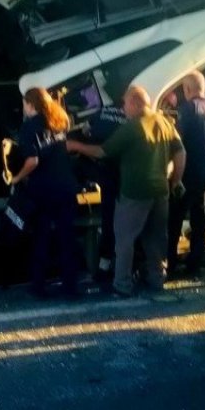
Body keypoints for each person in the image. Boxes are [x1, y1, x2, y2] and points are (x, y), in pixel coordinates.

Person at [68, 85, 185, 298]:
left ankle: (122, 285)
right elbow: (181, 153)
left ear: (135, 103)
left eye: (125, 104)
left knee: (124, 240)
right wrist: (175, 180)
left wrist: (76, 146)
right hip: (160, 192)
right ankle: (157, 280)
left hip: (134, 192)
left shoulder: (133, 127)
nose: (123, 109)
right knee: (155, 239)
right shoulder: (165, 122)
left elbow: (103, 152)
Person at [8, 88, 81, 300]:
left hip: (44, 190)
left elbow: (33, 161)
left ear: (30, 104)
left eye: (24, 104)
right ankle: (70, 287)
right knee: (67, 237)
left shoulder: (29, 127)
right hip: (66, 187)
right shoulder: (59, 121)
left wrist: (17, 177)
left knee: (42, 237)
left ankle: (39, 286)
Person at [167, 71, 205, 277]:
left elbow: (176, 144)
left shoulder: (187, 109)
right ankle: (194, 268)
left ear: (187, 90)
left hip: (185, 175)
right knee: (199, 223)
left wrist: (173, 176)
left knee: (174, 222)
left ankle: (171, 266)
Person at [85, 103, 127, 284]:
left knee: (108, 221)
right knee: (128, 225)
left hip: (105, 173)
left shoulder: (102, 110)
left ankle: (104, 267)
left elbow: (87, 129)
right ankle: (126, 267)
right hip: (126, 175)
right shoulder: (131, 118)